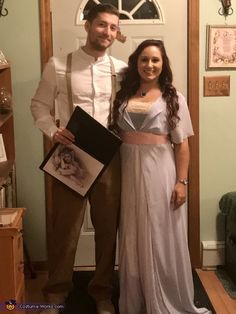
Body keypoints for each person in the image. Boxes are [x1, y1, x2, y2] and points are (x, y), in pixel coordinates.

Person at [31, 4, 126, 314]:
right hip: (69, 156)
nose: (108, 32)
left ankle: (101, 292)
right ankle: (57, 291)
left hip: (109, 158)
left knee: (107, 227)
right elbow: (39, 106)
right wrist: (52, 131)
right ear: (87, 25)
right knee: (65, 228)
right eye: (102, 25)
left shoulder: (122, 69)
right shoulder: (58, 65)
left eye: (113, 27)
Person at [111, 39, 212, 314]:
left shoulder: (173, 98)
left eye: (155, 60)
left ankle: (167, 298)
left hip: (161, 172)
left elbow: (182, 145)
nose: (149, 65)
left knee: (161, 232)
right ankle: (138, 299)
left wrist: (181, 181)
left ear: (163, 64)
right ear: (136, 63)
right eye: (144, 59)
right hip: (128, 171)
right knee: (133, 233)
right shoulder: (122, 96)